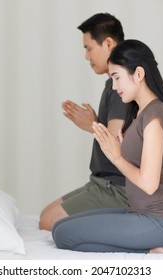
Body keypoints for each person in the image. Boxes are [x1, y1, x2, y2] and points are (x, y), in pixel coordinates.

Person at [52, 39, 163, 253]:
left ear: (139, 74)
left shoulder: (155, 116)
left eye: (117, 78)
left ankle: (152, 248)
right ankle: (154, 244)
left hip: (160, 221)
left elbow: (149, 184)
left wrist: (116, 157)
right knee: (59, 227)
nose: (114, 87)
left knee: (64, 236)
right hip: (139, 213)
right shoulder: (139, 113)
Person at [39, 13, 128, 231]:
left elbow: (117, 144)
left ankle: (129, 225)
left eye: (89, 48)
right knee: (44, 216)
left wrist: (92, 125)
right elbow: (118, 130)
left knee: (48, 222)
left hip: (116, 188)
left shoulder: (121, 86)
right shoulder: (112, 84)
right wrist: (96, 122)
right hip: (100, 182)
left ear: (108, 43)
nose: (87, 57)